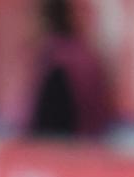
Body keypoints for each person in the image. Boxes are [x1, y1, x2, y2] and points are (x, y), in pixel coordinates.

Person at [21, 0, 116, 139]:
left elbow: (50, 128)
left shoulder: (56, 63)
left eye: (28, 17)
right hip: (93, 144)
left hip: (69, 149)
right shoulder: (84, 52)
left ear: (44, 20)